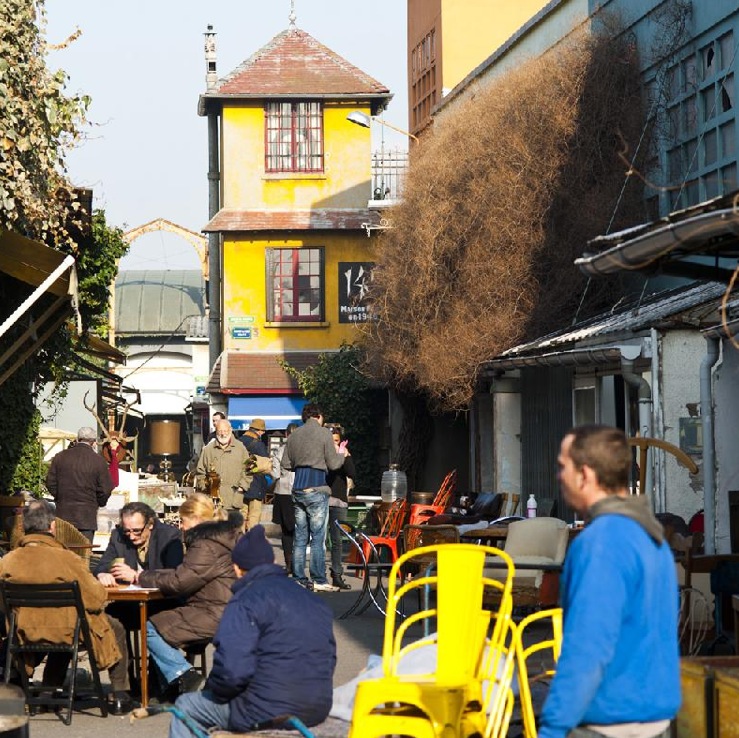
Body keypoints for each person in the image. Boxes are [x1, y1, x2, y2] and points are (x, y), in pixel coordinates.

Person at [539, 425, 680, 738]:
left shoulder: (601, 543)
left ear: (585, 475)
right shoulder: (651, 537)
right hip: (656, 721)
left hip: (608, 725)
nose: (559, 476)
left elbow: (587, 647)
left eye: (563, 467)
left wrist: (553, 729)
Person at [168, 525, 336, 738]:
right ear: (273, 563)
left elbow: (232, 671)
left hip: (265, 709)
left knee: (186, 706)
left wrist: (214, 694)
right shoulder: (313, 601)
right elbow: (329, 658)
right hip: (317, 706)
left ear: (237, 569)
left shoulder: (245, 601)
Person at [0, 500, 135, 715]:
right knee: (113, 627)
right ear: (52, 527)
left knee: (63, 625)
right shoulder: (68, 559)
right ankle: (119, 694)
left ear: (25, 528)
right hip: (67, 630)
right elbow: (96, 598)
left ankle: (48, 693)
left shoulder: (8, 561)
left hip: (24, 631)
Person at [137, 493, 243, 701]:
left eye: (183, 521)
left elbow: (180, 582)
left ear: (196, 519)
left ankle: (185, 675)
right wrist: (151, 575)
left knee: (149, 627)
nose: (181, 527)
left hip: (215, 611)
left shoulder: (205, 544)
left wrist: (141, 577)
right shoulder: (223, 539)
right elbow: (188, 573)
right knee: (165, 620)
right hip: (231, 607)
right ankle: (169, 686)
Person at [281, 403, 348, 591]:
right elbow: (334, 464)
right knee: (318, 537)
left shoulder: (294, 435)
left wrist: (301, 462)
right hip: (317, 488)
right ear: (318, 416)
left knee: (300, 537)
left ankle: (299, 578)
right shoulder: (324, 433)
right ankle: (319, 579)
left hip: (298, 489)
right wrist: (341, 453)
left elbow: (286, 464)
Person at [45, 426, 114, 541]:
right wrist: (98, 502)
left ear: (77, 440)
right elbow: (106, 488)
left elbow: (50, 482)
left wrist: (61, 497)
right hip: (86, 516)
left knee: (63, 554)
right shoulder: (98, 461)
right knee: (83, 554)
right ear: (93, 443)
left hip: (64, 514)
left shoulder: (60, 457)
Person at [95, 501, 184, 586]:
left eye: (137, 531)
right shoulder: (118, 535)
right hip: (129, 598)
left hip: (162, 598)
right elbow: (103, 564)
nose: (131, 537)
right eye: (127, 531)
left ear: (150, 524)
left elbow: (173, 574)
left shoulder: (170, 537)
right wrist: (102, 574)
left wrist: (137, 576)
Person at [195, 419, 252, 512]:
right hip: (213, 502)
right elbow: (200, 472)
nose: (222, 434)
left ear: (230, 430)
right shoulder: (208, 450)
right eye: (220, 431)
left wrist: (242, 487)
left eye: (225, 431)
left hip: (234, 500)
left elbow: (250, 468)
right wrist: (205, 487)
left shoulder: (240, 448)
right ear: (216, 431)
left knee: (233, 526)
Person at [326, 426, 355, 590]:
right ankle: (319, 576)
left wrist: (346, 456)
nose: (334, 444)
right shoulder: (322, 454)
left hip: (339, 500)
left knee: (337, 540)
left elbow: (352, 473)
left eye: (336, 441)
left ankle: (337, 574)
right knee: (320, 539)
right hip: (322, 499)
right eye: (331, 441)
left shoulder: (344, 453)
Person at [271, 422, 299, 573]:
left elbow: (275, 473)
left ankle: (288, 565)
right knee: (300, 529)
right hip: (300, 491)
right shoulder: (303, 451)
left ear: (286, 435)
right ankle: (298, 564)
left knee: (286, 532)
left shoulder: (279, 451)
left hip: (282, 493)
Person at [239, 418, 270, 530]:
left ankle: (240, 542)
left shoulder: (238, 442)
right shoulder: (258, 445)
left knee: (241, 516)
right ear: (259, 431)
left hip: (240, 484)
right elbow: (266, 465)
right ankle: (251, 544)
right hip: (256, 483)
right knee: (254, 516)